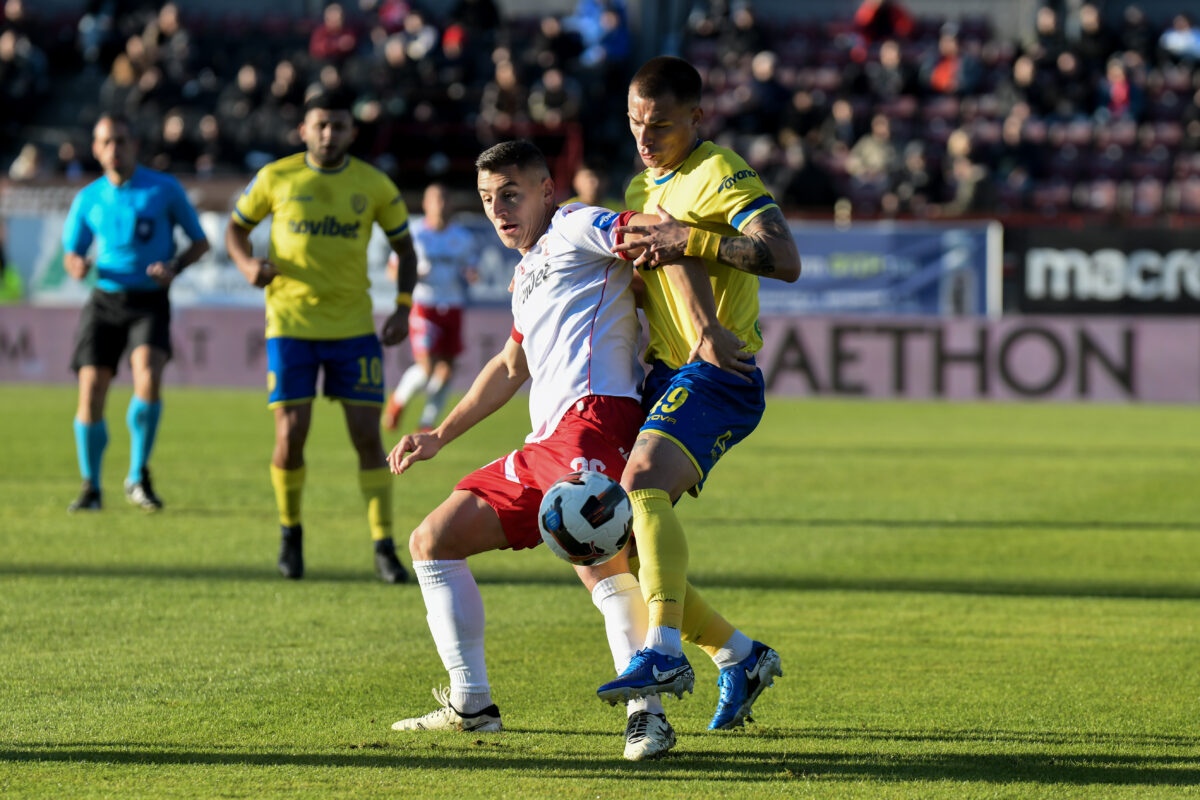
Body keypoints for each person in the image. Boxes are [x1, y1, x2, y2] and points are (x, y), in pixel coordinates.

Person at [385, 139, 685, 761]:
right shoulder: (528, 272)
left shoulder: (575, 223)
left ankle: (646, 717)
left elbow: (650, 230)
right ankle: (472, 704)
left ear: (548, 190)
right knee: (432, 541)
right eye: (489, 199)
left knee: (601, 561)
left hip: (597, 422)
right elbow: (509, 364)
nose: (499, 209)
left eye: (512, 194)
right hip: (545, 442)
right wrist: (439, 435)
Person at [601, 55, 801, 730]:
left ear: (697, 118)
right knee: (620, 543)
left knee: (641, 480)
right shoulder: (638, 184)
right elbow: (651, 272)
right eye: (634, 121)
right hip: (660, 377)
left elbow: (784, 257)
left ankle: (659, 652)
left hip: (719, 371)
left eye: (658, 124)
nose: (644, 136)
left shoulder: (717, 171)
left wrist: (686, 237)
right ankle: (736, 654)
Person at [224, 90, 418, 584]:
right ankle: (290, 536)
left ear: (352, 132)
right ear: (303, 130)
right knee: (290, 436)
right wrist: (247, 264)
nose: (328, 134)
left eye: (338, 125)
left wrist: (401, 307)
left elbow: (406, 249)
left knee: (367, 438)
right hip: (290, 326)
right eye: (320, 125)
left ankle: (383, 546)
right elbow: (235, 230)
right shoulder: (277, 177)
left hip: (353, 328)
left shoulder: (372, 184)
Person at [61, 113, 210, 513]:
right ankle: (91, 486)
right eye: (106, 142)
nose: (114, 149)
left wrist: (174, 267)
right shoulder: (88, 198)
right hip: (105, 300)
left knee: (148, 377)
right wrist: (76, 264)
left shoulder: (163, 188)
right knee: (91, 393)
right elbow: (72, 252)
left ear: (135, 146)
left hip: (149, 300)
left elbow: (199, 242)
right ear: (95, 148)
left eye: (121, 141)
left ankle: (137, 474)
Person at [383, 182, 478, 433]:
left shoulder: (463, 238)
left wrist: (470, 274)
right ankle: (398, 401)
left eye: (445, 199)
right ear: (425, 204)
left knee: (446, 368)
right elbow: (392, 270)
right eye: (435, 199)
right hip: (424, 306)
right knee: (426, 368)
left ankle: (427, 423)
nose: (441, 205)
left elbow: (472, 269)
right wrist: (411, 273)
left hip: (453, 306)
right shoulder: (414, 234)